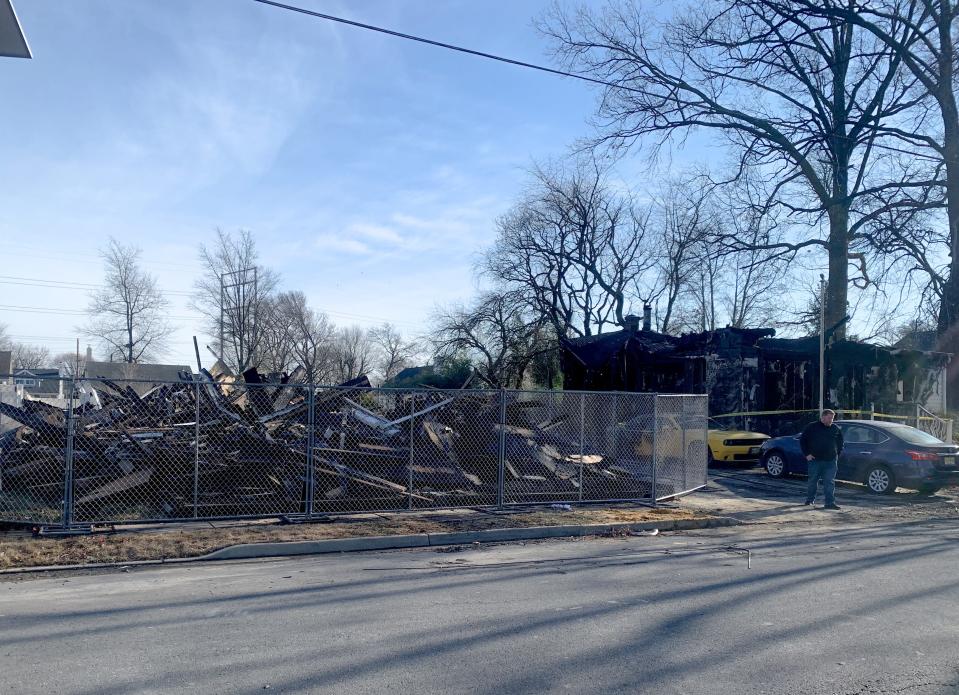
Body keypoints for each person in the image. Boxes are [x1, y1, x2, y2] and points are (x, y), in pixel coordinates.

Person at [799, 409, 844, 510]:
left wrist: (837, 454)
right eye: (829, 418)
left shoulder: (835, 428)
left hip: (830, 461)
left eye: (832, 418)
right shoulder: (812, 427)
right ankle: (810, 500)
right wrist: (807, 454)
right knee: (813, 481)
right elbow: (803, 440)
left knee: (829, 482)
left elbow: (840, 442)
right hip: (815, 460)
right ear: (823, 417)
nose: (831, 420)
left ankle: (830, 503)